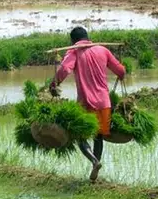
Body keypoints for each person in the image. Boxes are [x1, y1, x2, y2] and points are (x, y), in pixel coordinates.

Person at [50, 26, 126, 182]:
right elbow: (120, 71)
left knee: (80, 136)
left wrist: (54, 83)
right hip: (104, 102)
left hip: (86, 103)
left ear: (73, 40)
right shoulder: (103, 50)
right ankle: (94, 174)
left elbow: (65, 69)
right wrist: (122, 72)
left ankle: (94, 161)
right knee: (98, 136)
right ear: (87, 37)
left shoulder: (74, 52)